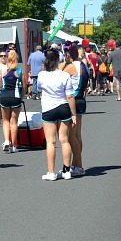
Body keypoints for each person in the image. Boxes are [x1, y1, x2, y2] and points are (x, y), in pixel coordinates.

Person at [37, 48, 77, 180]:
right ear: (57, 60)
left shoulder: (42, 75)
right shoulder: (64, 75)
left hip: (48, 109)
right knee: (64, 140)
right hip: (63, 107)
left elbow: (38, 90)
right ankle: (66, 170)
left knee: (51, 142)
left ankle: (51, 172)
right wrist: (74, 114)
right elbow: (70, 96)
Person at [64, 44, 89, 176]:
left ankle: (78, 165)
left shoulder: (71, 67)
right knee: (77, 135)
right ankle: (76, 164)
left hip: (73, 100)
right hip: (81, 100)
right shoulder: (84, 66)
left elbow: (59, 79)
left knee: (71, 136)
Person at [0, 49, 25, 153]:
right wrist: (22, 96)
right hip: (15, 97)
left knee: (5, 120)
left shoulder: (3, 71)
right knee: (14, 121)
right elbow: (24, 86)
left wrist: (2, 90)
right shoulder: (19, 71)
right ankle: (14, 145)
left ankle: (6, 141)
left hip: (4, 96)